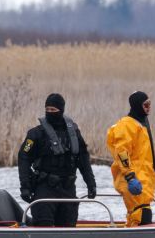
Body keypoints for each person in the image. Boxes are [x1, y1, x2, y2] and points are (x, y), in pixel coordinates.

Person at [18, 93, 97, 227]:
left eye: (53, 110)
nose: (50, 113)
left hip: (68, 189)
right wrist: (25, 187)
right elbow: (23, 158)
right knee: (43, 225)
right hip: (45, 189)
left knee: (68, 227)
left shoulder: (74, 133)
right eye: (47, 110)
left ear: (61, 110)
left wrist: (91, 183)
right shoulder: (36, 134)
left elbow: (83, 159)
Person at [106, 91, 155, 227]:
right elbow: (122, 152)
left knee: (143, 215)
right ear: (137, 106)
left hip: (143, 183)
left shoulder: (141, 124)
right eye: (145, 105)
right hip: (133, 181)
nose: (148, 107)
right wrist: (130, 176)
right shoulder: (127, 125)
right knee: (139, 215)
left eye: (149, 104)